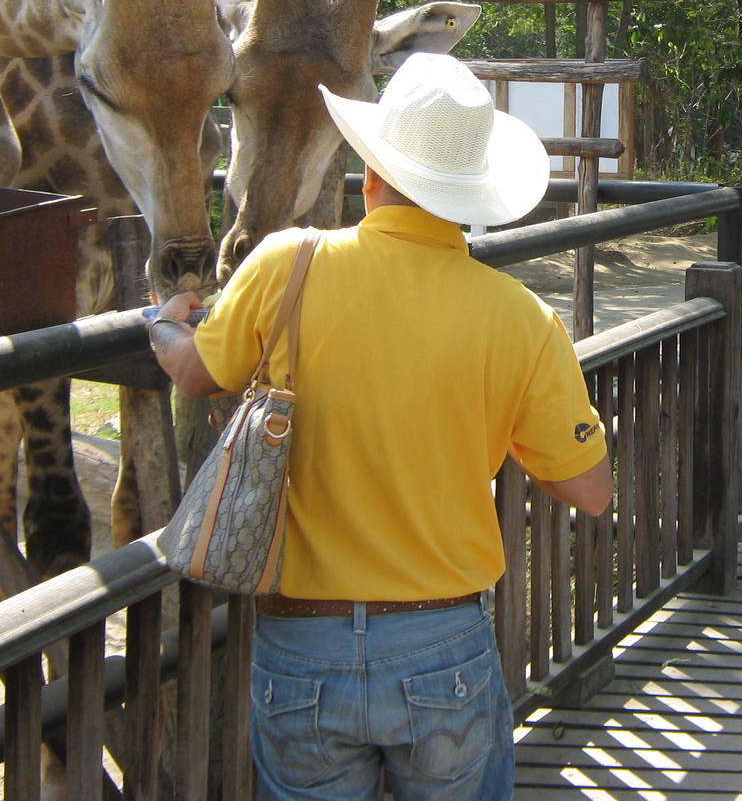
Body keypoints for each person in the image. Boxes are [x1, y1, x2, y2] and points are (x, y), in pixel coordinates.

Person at [147, 52, 613, 800]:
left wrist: (162, 327)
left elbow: (199, 373)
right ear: (469, 197)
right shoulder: (522, 319)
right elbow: (589, 490)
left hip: (301, 641)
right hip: (442, 643)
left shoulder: (286, 263)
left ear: (371, 178)